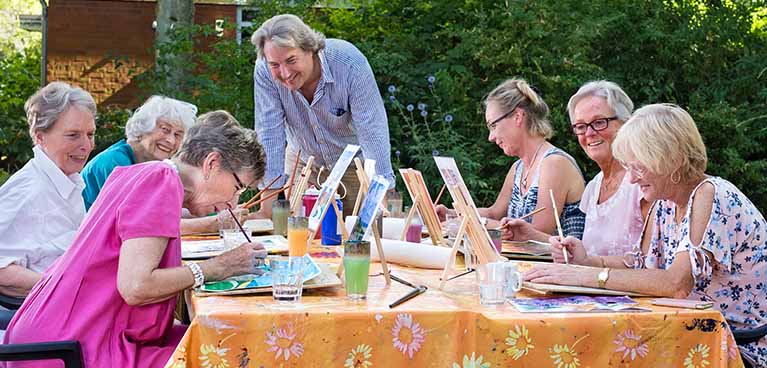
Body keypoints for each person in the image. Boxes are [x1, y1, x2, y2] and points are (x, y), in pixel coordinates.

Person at [4, 117, 269, 367]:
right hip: (71, 346)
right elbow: (136, 286)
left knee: (228, 340)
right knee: (234, 353)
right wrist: (217, 267)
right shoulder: (161, 180)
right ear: (211, 163)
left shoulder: (143, 174)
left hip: (64, 333)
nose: (233, 203)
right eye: (238, 188)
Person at [526, 104, 767, 366]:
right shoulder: (665, 202)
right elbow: (642, 265)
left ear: (667, 158)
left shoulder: (711, 193)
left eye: (637, 167)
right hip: (690, 335)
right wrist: (589, 261)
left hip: (733, 347)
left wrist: (585, 276)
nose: (630, 179)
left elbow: (676, 284)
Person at [250, 14, 395, 218]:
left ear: (310, 49)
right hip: (303, 161)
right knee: (297, 233)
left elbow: (373, 131)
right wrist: (267, 209)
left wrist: (380, 198)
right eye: (275, 65)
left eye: (291, 60)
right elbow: (269, 133)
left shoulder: (349, 63)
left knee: (360, 234)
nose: (284, 72)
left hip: (355, 166)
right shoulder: (264, 70)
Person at [502, 81, 648, 253]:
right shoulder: (594, 188)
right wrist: (531, 235)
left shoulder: (643, 183)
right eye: (580, 126)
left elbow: (649, 266)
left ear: (625, 123)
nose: (589, 133)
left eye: (600, 122)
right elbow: (583, 255)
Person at [438, 78, 586, 238]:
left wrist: (474, 222)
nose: (491, 137)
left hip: (560, 263)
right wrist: (452, 215)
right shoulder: (518, 168)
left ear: (517, 117)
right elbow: (494, 214)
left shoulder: (554, 163)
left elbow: (537, 234)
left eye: (493, 126)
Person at [0, 82, 96, 298]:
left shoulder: (67, 180)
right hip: (45, 315)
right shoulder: (28, 193)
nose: (86, 145)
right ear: (40, 136)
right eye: (73, 135)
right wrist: (66, 286)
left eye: (90, 134)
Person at [81, 95, 196, 210]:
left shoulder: (147, 167)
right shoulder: (115, 163)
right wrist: (205, 223)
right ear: (144, 127)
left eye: (178, 135)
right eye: (165, 129)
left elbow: (163, 212)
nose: (171, 140)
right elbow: (134, 218)